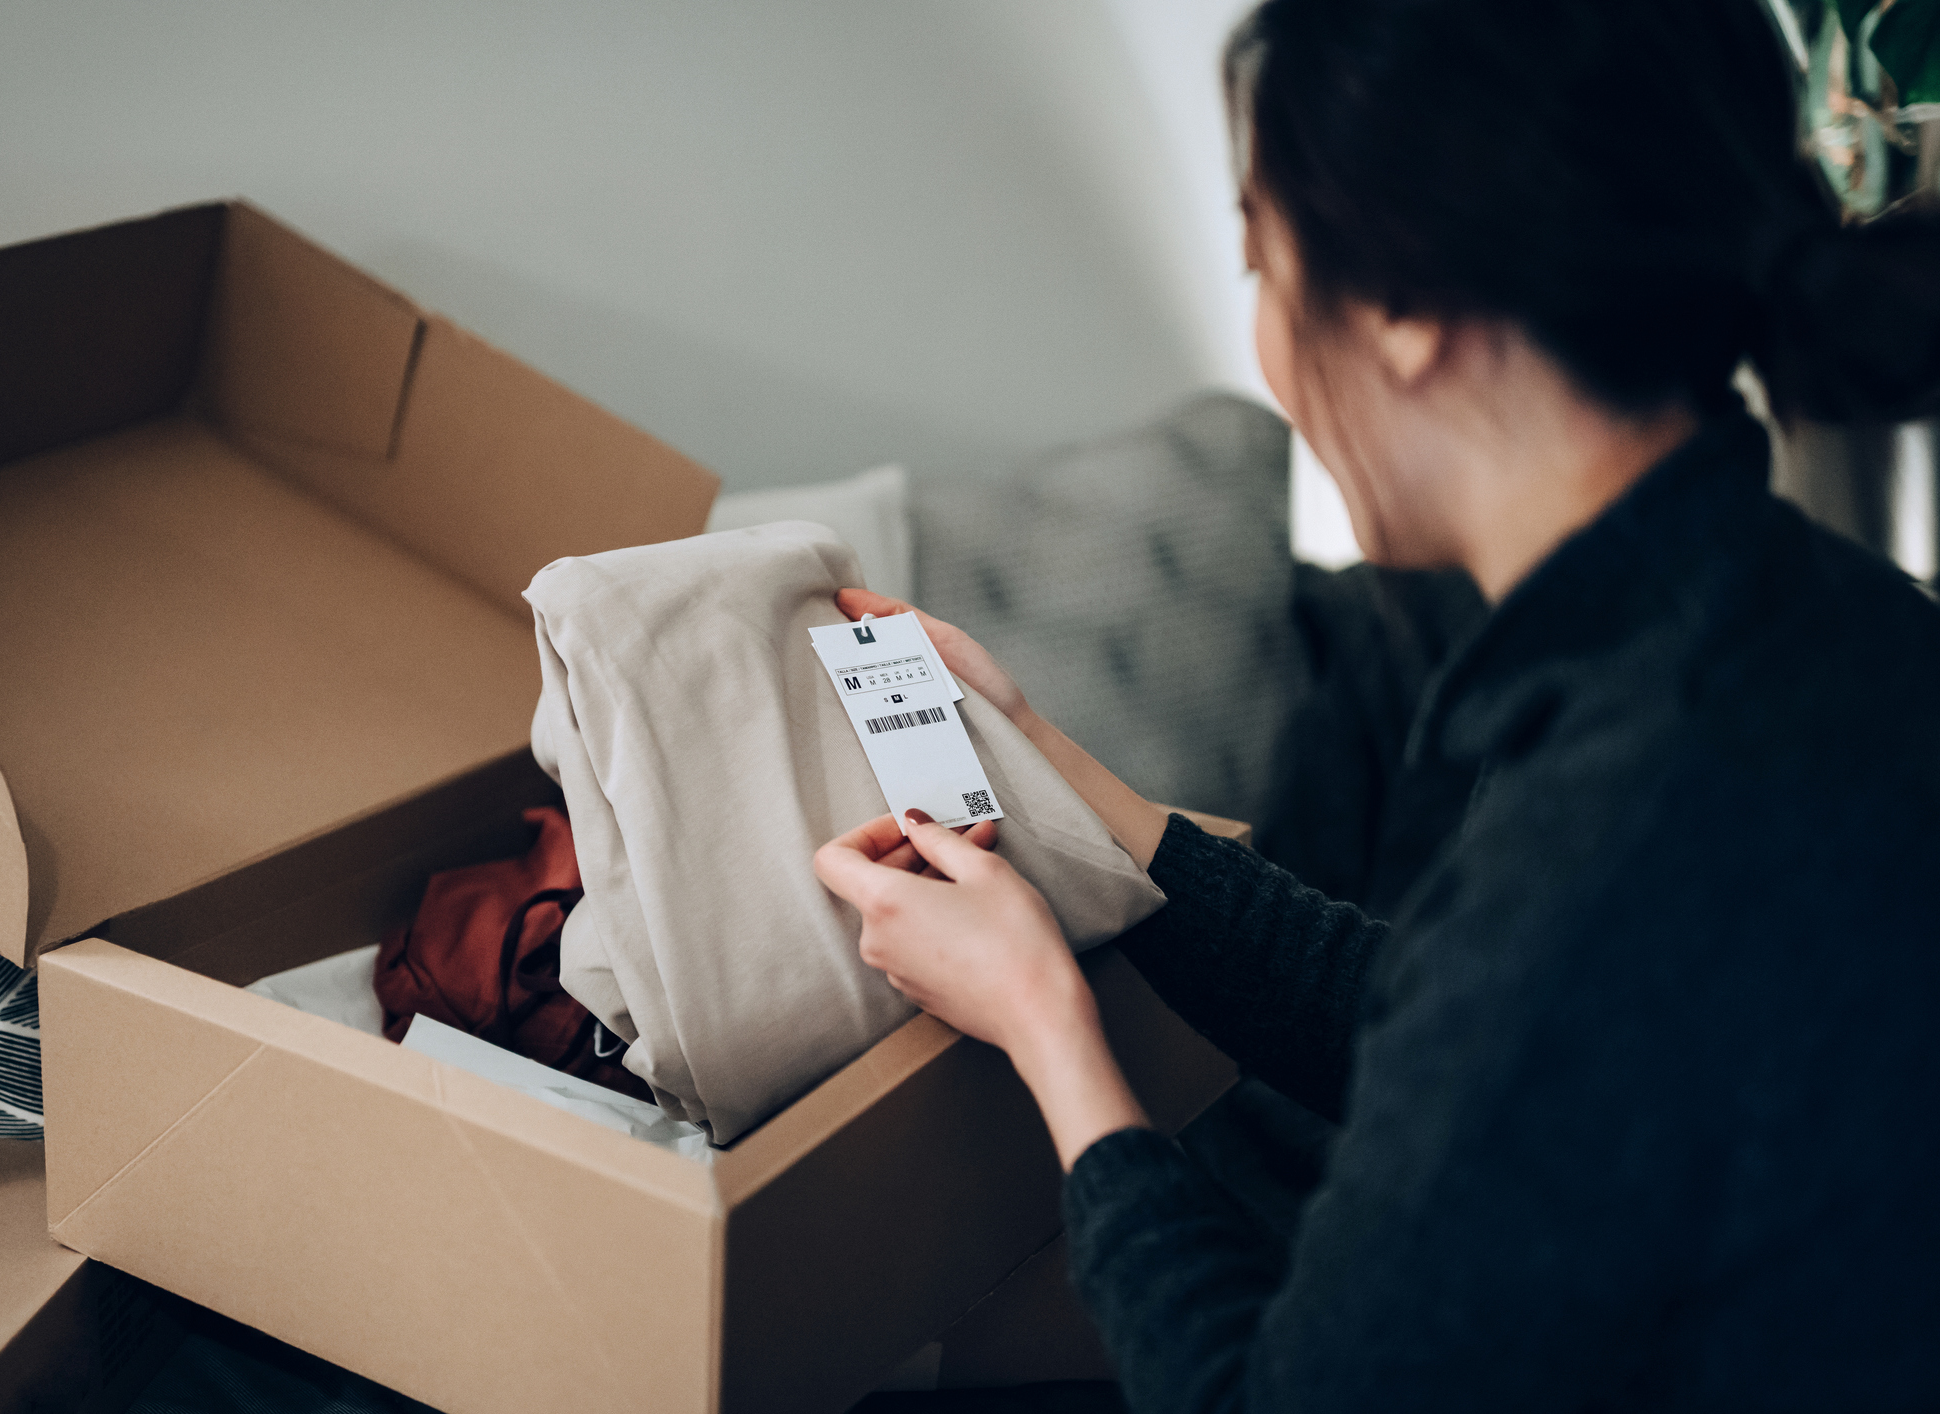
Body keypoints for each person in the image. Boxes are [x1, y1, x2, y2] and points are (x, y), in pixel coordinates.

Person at [812, 0, 1940, 1408]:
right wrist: (1044, 762)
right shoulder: (1809, 621)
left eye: (1262, 263)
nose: (1273, 345)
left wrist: (1047, 1025)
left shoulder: (1618, 811)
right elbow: (1429, 1018)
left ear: (1403, 307)